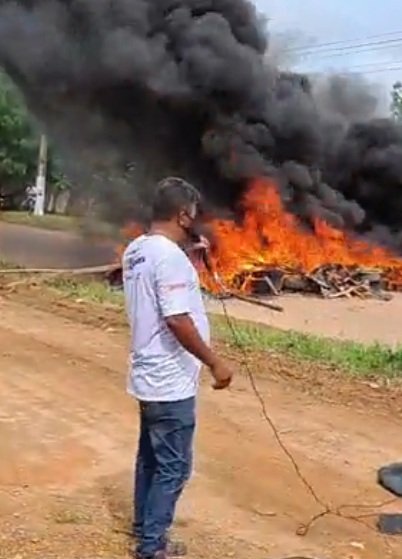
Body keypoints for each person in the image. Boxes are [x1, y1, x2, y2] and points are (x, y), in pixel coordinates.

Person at [121, 177, 235, 559]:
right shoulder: (168, 258)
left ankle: (143, 528)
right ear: (184, 215)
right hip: (169, 380)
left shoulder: (137, 249)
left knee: (150, 459)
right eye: (194, 213)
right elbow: (177, 319)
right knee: (174, 467)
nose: (196, 219)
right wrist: (215, 361)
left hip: (146, 373)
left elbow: (159, 284)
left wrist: (190, 255)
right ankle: (152, 546)